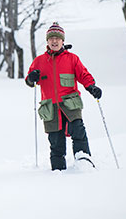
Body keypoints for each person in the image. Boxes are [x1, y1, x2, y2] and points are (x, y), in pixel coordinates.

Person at [25, 22, 103, 170]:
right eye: (51, 38)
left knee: (78, 129)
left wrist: (91, 87)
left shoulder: (72, 58)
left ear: (62, 41)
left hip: (70, 103)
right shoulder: (39, 61)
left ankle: (83, 159)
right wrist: (31, 77)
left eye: (57, 38)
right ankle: (58, 168)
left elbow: (83, 75)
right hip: (50, 107)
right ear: (47, 41)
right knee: (55, 140)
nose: (54, 41)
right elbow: (29, 81)